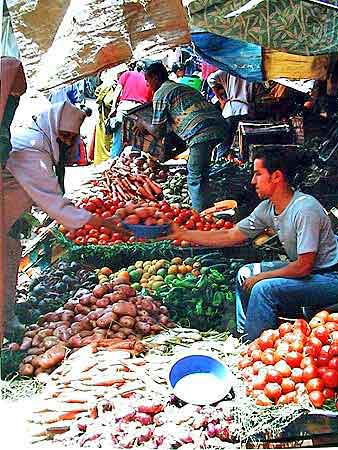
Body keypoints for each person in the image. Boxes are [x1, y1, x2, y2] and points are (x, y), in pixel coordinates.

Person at [161, 147, 338, 341]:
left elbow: (303, 266)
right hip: (311, 270)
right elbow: (230, 235)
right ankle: (245, 335)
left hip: (329, 276)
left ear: (276, 176)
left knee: (263, 288)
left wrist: (264, 276)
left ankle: (254, 347)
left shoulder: (305, 209)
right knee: (245, 274)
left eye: (258, 174)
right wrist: (181, 233)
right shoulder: (268, 208)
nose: (253, 181)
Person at [3, 101, 119, 338]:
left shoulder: (40, 141)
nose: (68, 142)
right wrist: (103, 222)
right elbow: (55, 203)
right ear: (53, 126)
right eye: (65, 136)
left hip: (9, 218)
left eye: (71, 137)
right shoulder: (32, 148)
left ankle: (7, 317)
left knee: (9, 262)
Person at [133, 62, 227, 212]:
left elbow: (158, 132)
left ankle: (200, 216)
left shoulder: (161, 93)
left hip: (201, 132)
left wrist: (142, 122)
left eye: (148, 80)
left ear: (156, 77)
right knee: (201, 171)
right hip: (219, 126)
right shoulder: (181, 87)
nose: (147, 85)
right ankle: (209, 209)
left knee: (195, 175)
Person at [207, 70, 254, 160]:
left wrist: (220, 99)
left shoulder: (228, 69)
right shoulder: (251, 70)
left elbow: (211, 80)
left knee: (226, 142)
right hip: (245, 109)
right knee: (245, 142)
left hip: (231, 110)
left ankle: (221, 161)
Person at [109, 61, 153, 157]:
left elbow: (117, 91)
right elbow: (150, 102)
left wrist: (113, 108)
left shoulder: (127, 74)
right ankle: (134, 161)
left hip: (124, 107)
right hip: (139, 111)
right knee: (137, 139)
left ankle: (113, 159)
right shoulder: (149, 80)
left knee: (118, 137)